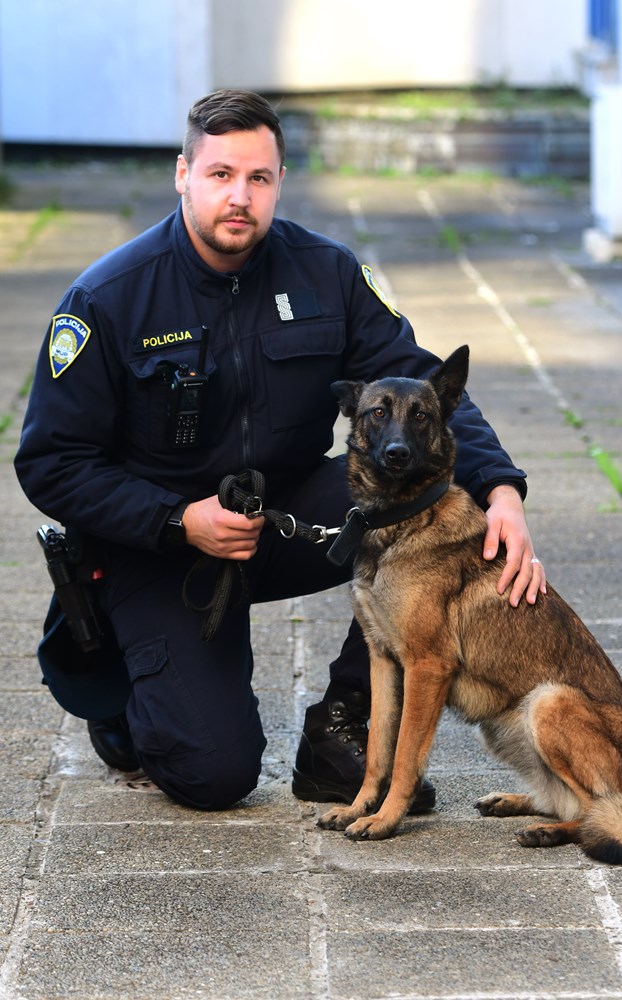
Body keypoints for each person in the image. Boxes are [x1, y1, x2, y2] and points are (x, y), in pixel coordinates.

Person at [15, 89, 546, 812]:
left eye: (258, 178)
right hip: (158, 542)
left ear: (279, 182)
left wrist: (500, 489)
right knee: (215, 775)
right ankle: (126, 690)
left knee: (447, 513)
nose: (240, 196)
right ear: (183, 175)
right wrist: (178, 521)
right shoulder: (109, 297)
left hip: (283, 514)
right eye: (220, 174)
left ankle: (342, 728)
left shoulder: (326, 273)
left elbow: (421, 386)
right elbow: (52, 462)